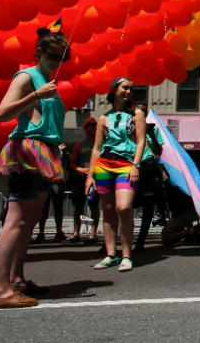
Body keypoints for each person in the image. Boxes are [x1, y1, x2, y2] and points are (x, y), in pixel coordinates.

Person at [0, 24, 69, 309]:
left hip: (47, 153)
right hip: (28, 151)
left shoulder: (46, 79)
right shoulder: (27, 76)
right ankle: (1, 290)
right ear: (39, 52)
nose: (57, 62)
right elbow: (2, 114)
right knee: (17, 219)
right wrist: (36, 95)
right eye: (53, 56)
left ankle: (17, 279)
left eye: (62, 58)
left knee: (31, 221)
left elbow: (43, 119)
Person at [85, 77, 151, 272]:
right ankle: (110, 255)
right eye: (125, 88)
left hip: (126, 165)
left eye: (131, 89)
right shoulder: (103, 118)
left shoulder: (137, 114)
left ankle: (127, 256)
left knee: (123, 208)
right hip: (104, 165)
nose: (128, 92)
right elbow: (97, 148)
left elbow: (141, 142)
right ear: (114, 90)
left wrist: (135, 165)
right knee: (108, 210)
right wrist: (90, 176)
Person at [132, 102, 165, 252]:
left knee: (148, 205)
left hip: (148, 167)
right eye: (138, 111)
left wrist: (151, 135)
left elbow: (159, 151)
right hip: (131, 167)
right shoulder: (129, 127)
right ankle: (110, 242)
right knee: (123, 206)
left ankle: (140, 241)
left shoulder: (153, 129)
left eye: (144, 112)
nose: (141, 114)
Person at [63, 118, 101, 244]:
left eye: (96, 125)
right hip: (80, 179)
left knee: (94, 206)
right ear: (85, 128)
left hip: (96, 178)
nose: (94, 127)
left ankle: (93, 233)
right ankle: (75, 233)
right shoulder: (79, 145)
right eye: (91, 125)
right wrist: (80, 169)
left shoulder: (102, 143)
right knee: (78, 207)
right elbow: (72, 163)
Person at [33, 142, 69, 243]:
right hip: (46, 178)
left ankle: (59, 231)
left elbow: (69, 159)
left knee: (58, 206)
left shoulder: (63, 146)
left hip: (58, 180)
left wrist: (65, 151)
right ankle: (41, 232)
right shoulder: (44, 146)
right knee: (44, 207)